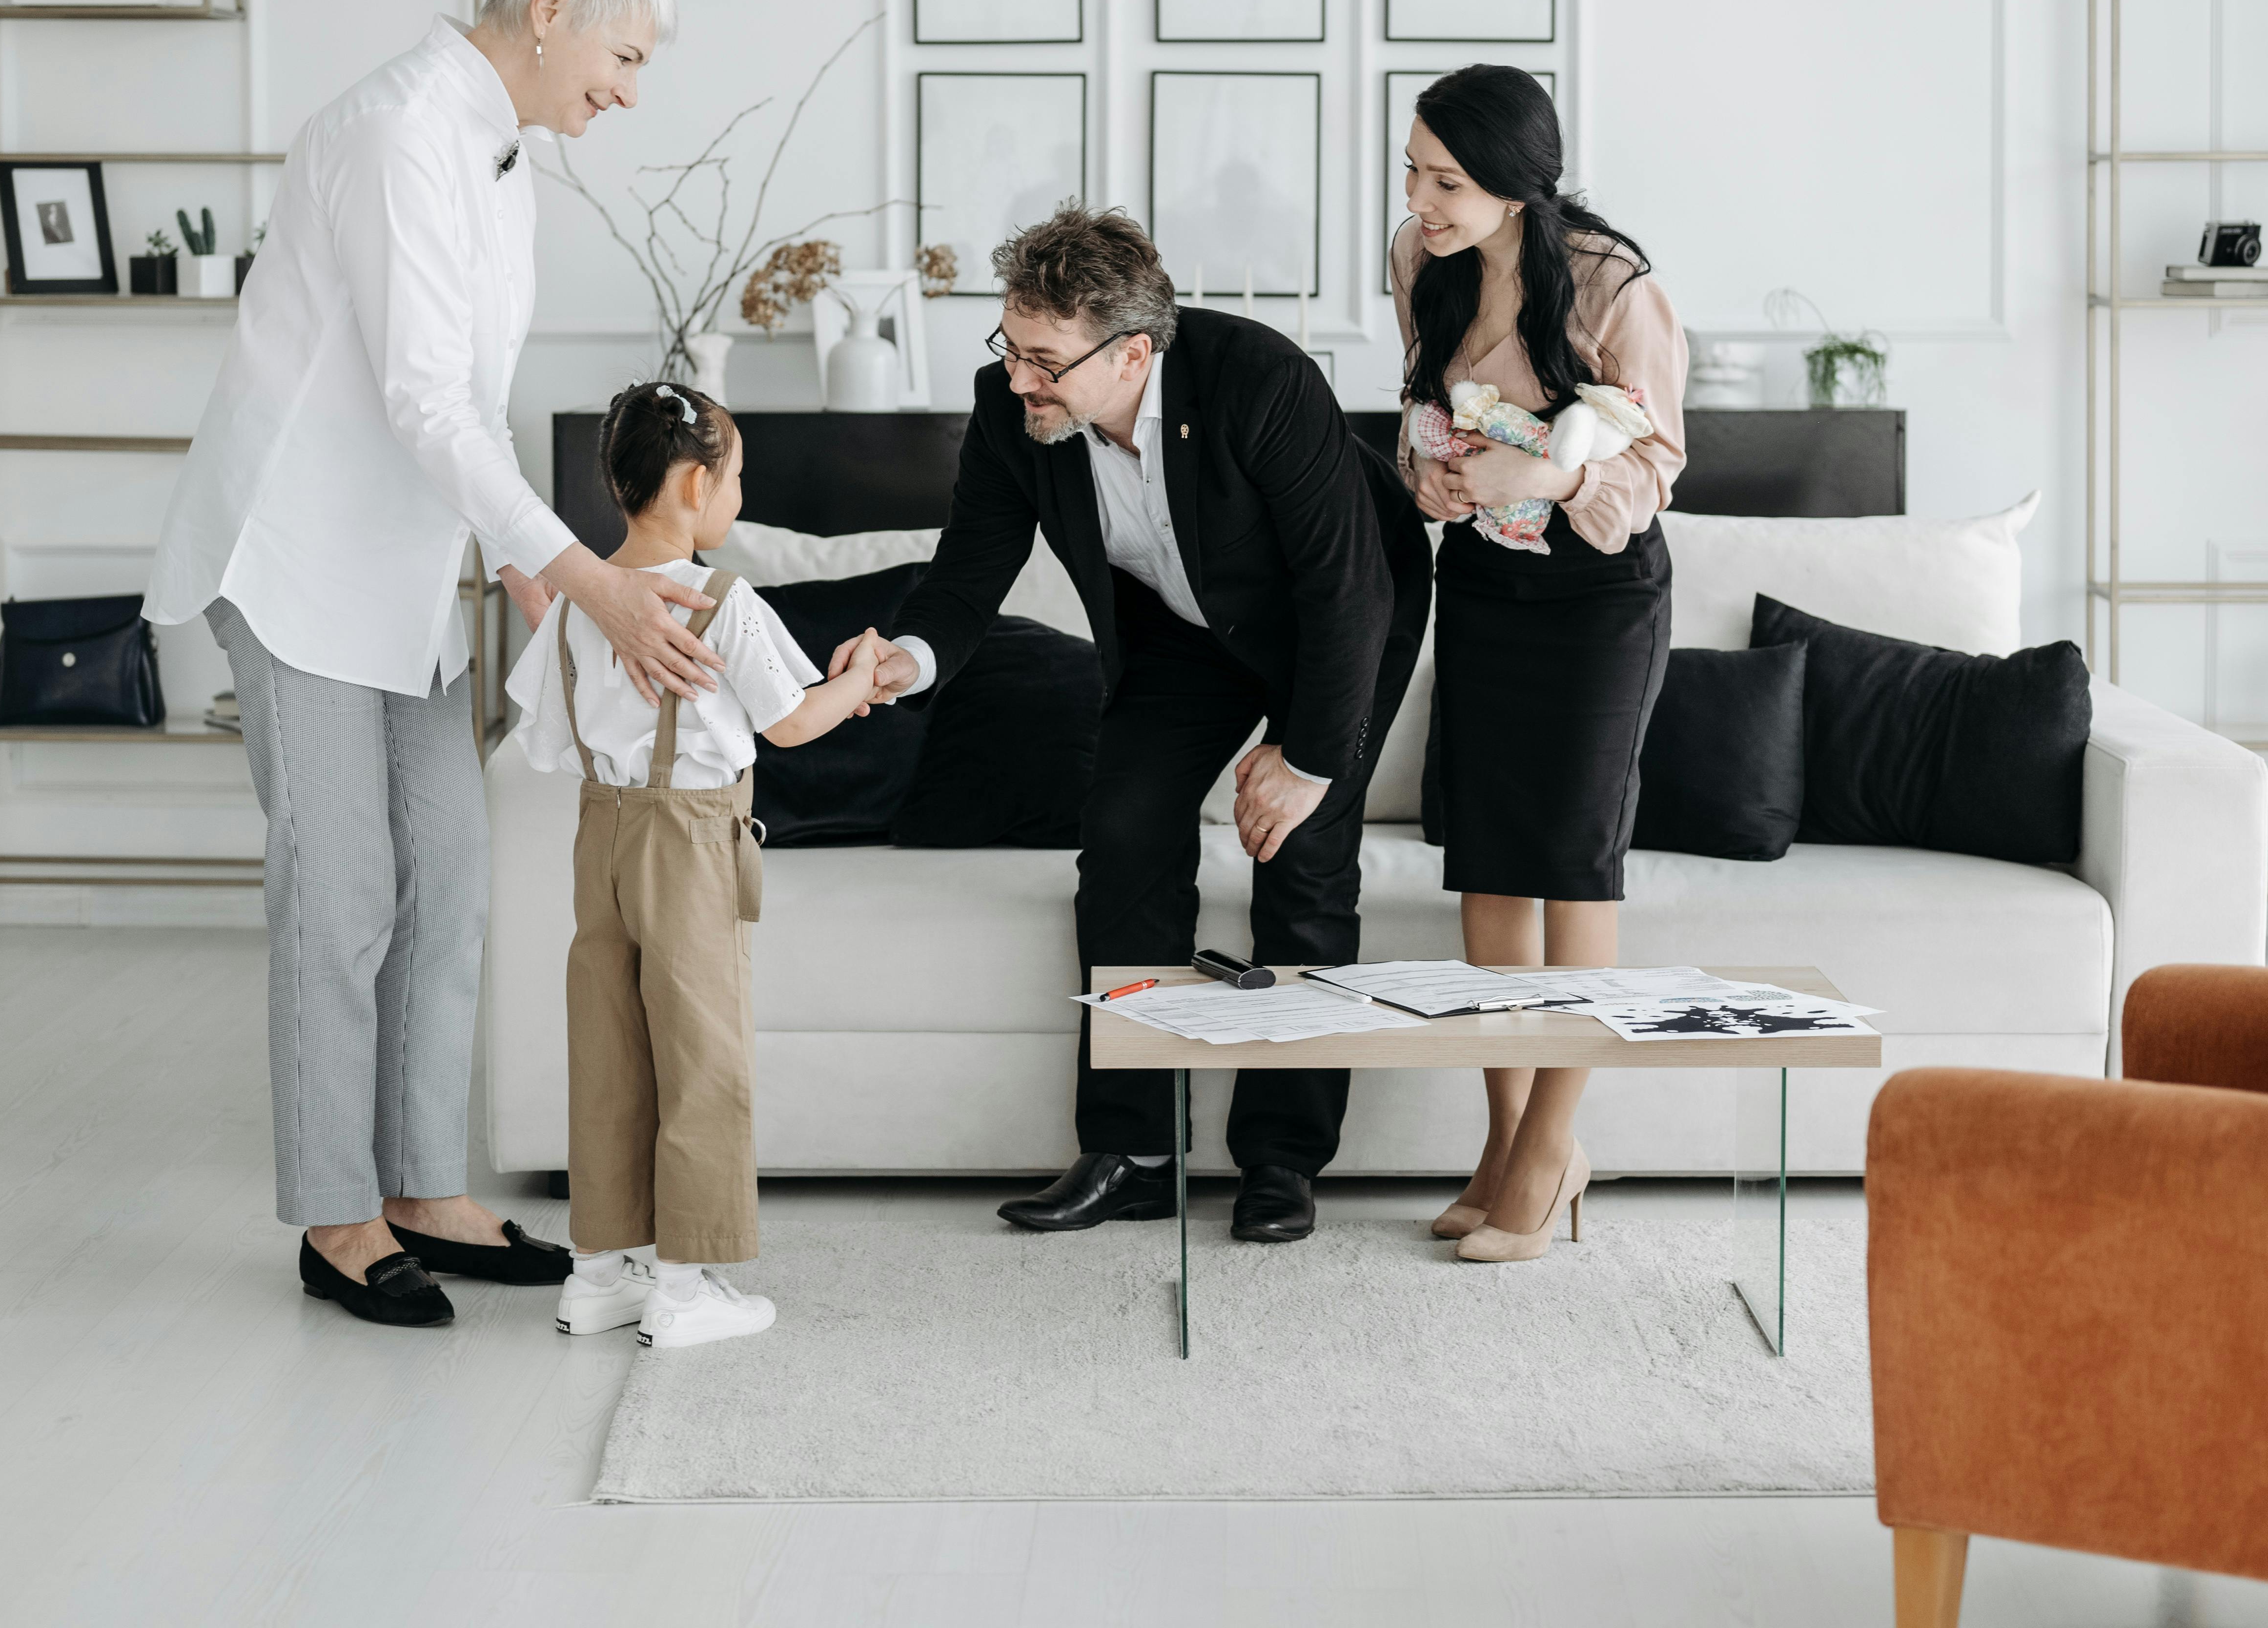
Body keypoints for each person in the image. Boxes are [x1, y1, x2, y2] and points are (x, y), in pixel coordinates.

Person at [143, 0, 734, 1329]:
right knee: (342, 889)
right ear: (549, 10)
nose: (631, 91)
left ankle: (422, 1186)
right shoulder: (397, 129)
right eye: (626, 56)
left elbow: (456, 408)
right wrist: (581, 571)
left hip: (401, 567)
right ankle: (337, 1218)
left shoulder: (505, 156)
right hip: (294, 560)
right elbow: (421, 397)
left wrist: (525, 570)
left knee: (451, 872)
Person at [847, 204, 1429, 1245]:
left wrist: (1302, 760)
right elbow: (969, 568)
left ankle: (1281, 1161)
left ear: (1131, 353)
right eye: (1008, 346)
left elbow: (1346, 589)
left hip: (1335, 622)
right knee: (1120, 838)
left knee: (1301, 862)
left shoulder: (1259, 379)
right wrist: (911, 657)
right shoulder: (1009, 410)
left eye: (1044, 360)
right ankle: (1135, 1150)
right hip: (1175, 633)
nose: (1019, 377)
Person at [505, 383, 890, 1350]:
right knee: (701, 1055)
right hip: (689, 841)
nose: (739, 496)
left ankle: (599, 1271)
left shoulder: (576, 605)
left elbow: (544, 744)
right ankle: (684, 1283)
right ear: (690, 482)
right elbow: (792, 722)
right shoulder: (723, 600)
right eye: (736, 478)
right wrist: (853, 682)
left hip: (601, 835)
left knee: (609, 1052)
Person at [1394, 65, 1686, 1264]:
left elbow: (1658, 459)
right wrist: (1431, 476)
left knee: (1571, 862)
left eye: (1447, 180)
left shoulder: (1616, 286)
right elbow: (1421, 408)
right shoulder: (1421, 259)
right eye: (1412, 169)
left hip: (1597, 597)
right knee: (1491, 863)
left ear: (1519, 184)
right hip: (1482, 582)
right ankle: (1507, 1140)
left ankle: (1558, 1144)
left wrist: (1550, 477)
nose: (1421, 198)